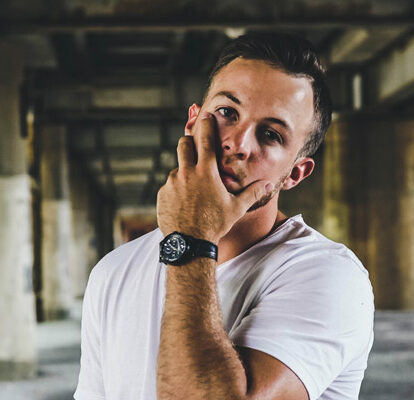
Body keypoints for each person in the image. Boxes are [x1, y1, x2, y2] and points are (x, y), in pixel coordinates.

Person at [74, 32, 374, 400]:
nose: (238, 144)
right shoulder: (113, 272)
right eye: (227, 113)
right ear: (193, 122)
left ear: (295, 173)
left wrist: (192, 237)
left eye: (270, 134)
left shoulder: (330, 275)